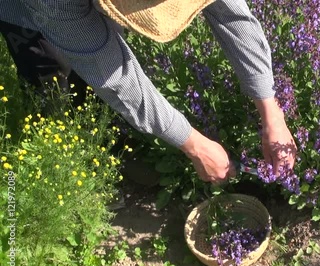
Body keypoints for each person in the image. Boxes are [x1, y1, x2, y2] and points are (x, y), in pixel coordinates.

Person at [0, 0, 296, 184]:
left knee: (104, 41)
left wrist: (271, 111)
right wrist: (194, 145)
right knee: (55, 83)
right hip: (33, 9)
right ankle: (76, 171)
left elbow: (232, 15)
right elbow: (113, 74)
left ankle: (119, 136)